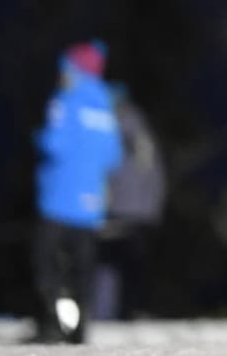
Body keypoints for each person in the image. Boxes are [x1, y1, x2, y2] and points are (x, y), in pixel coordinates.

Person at [29, 41, 122, 344]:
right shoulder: (105, 108)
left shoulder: (64, 101)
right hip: (90, 202)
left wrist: (39, 137)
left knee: (46, 262)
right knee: (83, 267)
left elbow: (54, 144)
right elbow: (113, 156)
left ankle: (50, 322)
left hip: (57, 199)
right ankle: (80, 328)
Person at [93, 84, 165, 321]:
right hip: (123, 211)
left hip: (129, 212)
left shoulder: (129, 127)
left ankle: (128, 313)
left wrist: (148, 207)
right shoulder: (115, 126)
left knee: (126, 266)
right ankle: (109, 313)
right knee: (110, 265)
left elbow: (150, 171)